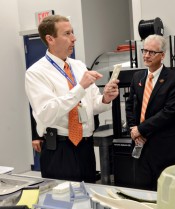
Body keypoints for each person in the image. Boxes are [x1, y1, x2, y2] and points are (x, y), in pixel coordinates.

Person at [25, 15, 119, 183]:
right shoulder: (36, 73)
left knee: (88, 197)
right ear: (50, 39)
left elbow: (91, 105)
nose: (73, 38)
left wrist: (105, 99)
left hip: (85, 146)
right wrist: (80, 88)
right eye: (67, 33)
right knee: (62, 203)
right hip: (59, 150)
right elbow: (47, 113)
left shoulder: (79, 66)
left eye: (73, 32)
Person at [125, 34, 175, 190]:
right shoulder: (137, 77)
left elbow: (168, 112)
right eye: (144, 50)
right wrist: (133, 130)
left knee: (166, 194)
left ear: (162, 55)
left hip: (163, 148)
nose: (146, 55)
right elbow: (130, 105)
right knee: (141, 192)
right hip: (140, 146)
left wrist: (141, 129)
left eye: (152, 52)